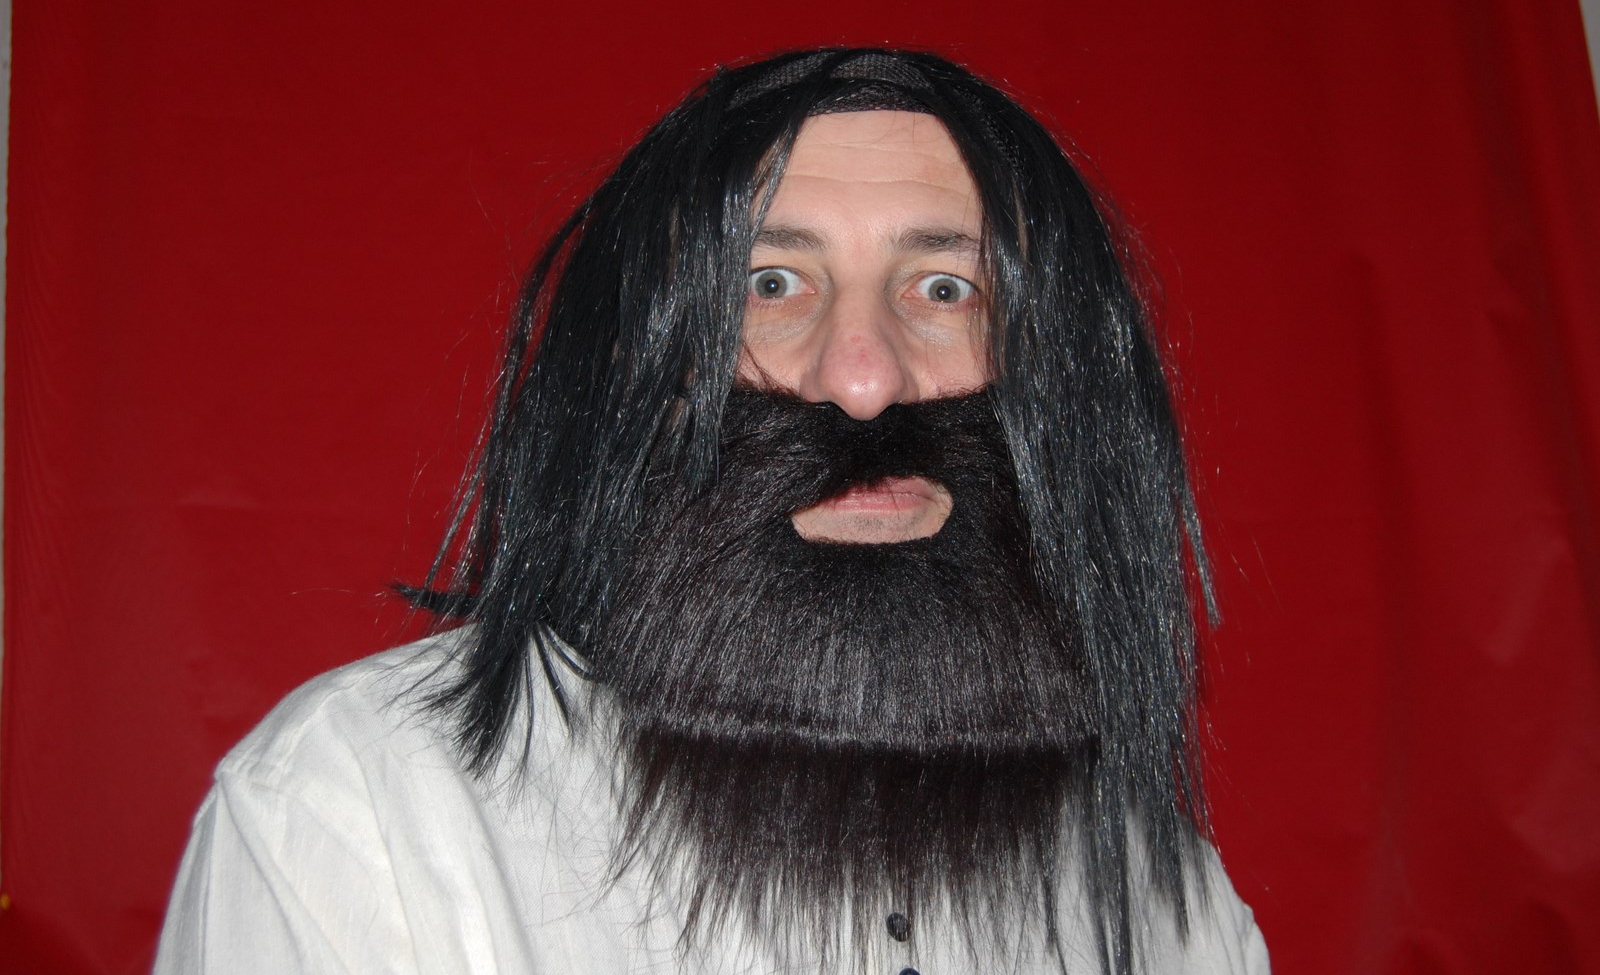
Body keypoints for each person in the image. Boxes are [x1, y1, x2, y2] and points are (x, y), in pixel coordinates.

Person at [156, 48, 1269, 975]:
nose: (863, 378)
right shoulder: (362, 810)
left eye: (946, 289)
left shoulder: (1158, 889)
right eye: (768, 284)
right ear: (652, 370)